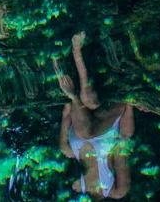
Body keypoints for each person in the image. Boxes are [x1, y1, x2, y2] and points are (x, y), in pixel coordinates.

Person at [56, 31, 134, 197]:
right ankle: (76, 53)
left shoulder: (77, 186)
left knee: (88, 99)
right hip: (109, 123)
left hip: (84, 114)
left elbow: (66, 115)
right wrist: (131, 106)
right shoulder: (116, 190)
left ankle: (66, 58)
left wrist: (68, 105)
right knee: (87, 111)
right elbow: (124, 144)